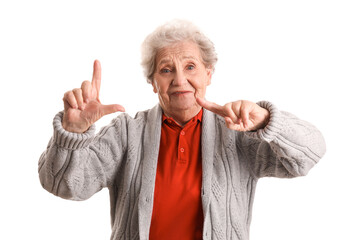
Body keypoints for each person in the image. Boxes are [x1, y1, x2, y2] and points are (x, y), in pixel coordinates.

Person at [38, 20, 326, 240]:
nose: (179, 80)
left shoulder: (237, 131)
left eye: (190, 67)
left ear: (208, 74)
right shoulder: (126, 132)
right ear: (152, 82)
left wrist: (266, 122)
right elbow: (65, 185)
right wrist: (72, 134)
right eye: (166, 70)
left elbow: (309, 154)